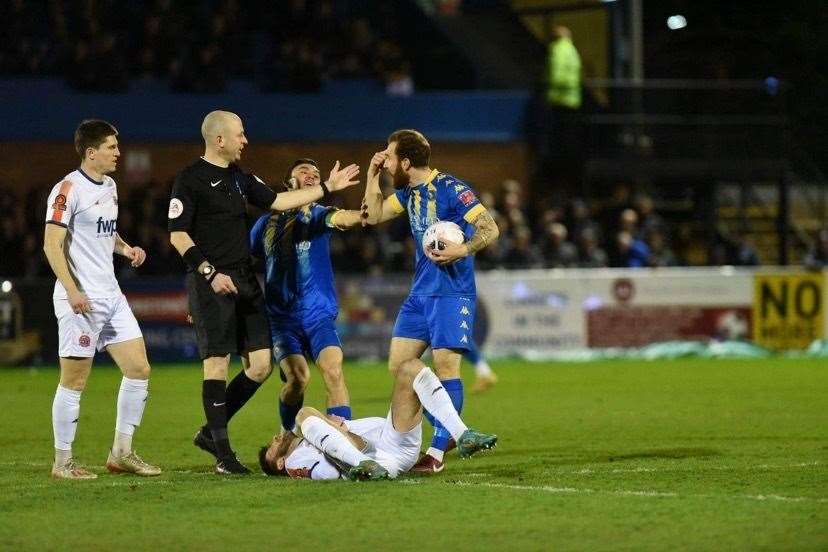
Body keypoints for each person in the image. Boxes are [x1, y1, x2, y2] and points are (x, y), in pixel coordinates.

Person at [168, 110, 359, 474]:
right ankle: (223, 454)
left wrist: (327, 189)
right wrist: (206, 278)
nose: (246, 140)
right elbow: (178, 235)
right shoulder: (189, 179)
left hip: (243, 281)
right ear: (219, 139)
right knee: (218, 364)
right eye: (240, 134)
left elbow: (276, 201)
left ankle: (211, 431)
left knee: (259, 367)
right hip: (212, 280)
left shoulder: (240, 178)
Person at [361, 129, 500, 474]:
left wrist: (463, 249)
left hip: (452, 292)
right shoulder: (409, 194)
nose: (386, 159)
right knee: (400, 368)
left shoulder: (454, 189)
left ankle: (436, 453)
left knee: (446, 368)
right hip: (419, 294)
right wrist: (371, 174)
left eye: (389, 156)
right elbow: (372, 216)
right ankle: (448, 426)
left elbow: (490, 228)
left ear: (405, 162)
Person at [43, 119, 160, 479]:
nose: (118, 153)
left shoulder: (108, 185)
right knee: (74, 380)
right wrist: (73, 290)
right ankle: (62, 462)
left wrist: (126, 249)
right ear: (91, 152)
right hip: (80, 298)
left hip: (111, 295)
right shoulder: (66, 190)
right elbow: (52, 244)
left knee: (139, 368)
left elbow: (105, 232)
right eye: (111, 147)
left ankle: (121, 453)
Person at [249, 158, 366, 438]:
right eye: (304, 171)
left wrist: (361, 215)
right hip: (282, 320)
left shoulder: (318, 214)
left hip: (318, 316)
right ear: (289, 182)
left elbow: (342, 218)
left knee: (333, 370)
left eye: (316, 171)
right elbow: (246, 261)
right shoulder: (264, 224)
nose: (312, 174)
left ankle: (343, 442)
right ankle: (287, 435)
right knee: (298, 379)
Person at [258, 358, 497, 480]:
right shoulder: (295, 462)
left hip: (394, 442)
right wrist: (343, 436)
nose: (276, 437)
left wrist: (333, 428)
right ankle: (362, 463)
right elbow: (329, 474)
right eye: (272, 447)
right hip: (372, 459)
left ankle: (462, 434)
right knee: (302, 413)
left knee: (410, 367)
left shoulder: (311, 434)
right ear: (279, 464)